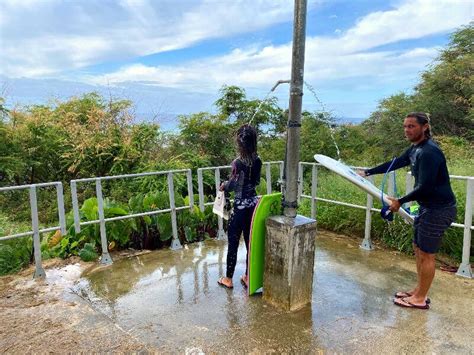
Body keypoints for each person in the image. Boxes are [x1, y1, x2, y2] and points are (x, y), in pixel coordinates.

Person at [358, 112, 456, 310]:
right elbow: (396, 163)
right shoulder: (415, 149)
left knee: (427, 254)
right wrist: (367, 172)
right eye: (405, 126)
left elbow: (426, 186)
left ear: (425, 126)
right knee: (418, 249)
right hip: (427, 208)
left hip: (439, 209)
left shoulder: (429, 152)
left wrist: (400, 201)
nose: (407, 130)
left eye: (411, 126)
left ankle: (420, 299)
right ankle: (419, 291)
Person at [217, 124, 262, 289]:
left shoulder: (237, 163)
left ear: (240, 143)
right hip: (253, 208)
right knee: (251, 243)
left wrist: (224, 185)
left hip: (239, 209)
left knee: (233, 243)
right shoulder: (258, 160)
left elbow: (235, 185)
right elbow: (256, 182)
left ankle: (228, 279)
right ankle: (248, 276)